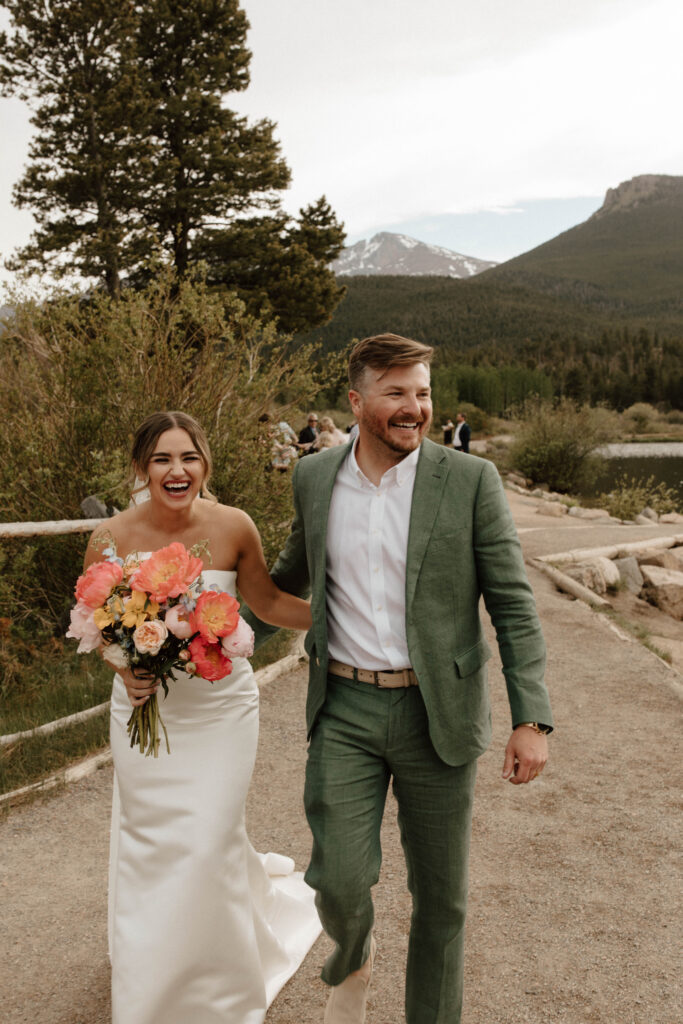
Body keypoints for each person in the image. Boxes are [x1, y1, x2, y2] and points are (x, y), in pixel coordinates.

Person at [243, 334, 553, 1024]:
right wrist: (208, 639)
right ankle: (351, 950)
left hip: (437, 714)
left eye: (422, 393)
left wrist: (531, 717)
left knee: (441, 898)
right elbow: (291, 574)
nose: (414, 408)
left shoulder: (471, 482)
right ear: (356, 402)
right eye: (396, 393)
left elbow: (512, 604)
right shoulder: (314, 476)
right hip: (345, 706)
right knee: (339, 880)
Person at [84, 411, 319, 1024]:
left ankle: (219, 988)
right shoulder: (110, 537)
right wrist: (124, 668)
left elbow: (264, 601)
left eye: (187, 457)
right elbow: (92, 626)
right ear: (142, 469)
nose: (176, 470)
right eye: (161, 459)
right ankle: (152, 983)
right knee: (153, 842)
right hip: (143, 709)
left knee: (209, 838)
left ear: (204, 464)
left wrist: (343, 620)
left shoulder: (234, 526)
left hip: (221, 710)